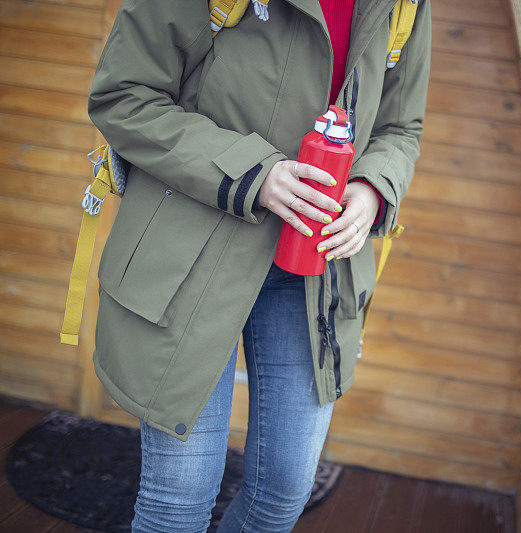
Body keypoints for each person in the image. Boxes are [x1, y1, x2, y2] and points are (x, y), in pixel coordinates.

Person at [86, 0, 431, 531]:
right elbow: (124, 96)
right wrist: (253, 174)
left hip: (314, 270)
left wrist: (373, 187)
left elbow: (399, 126)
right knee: (179, 501)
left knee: (282, 495)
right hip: (191, 257)